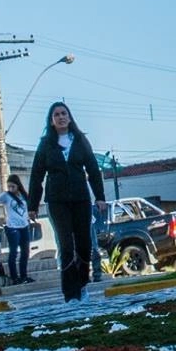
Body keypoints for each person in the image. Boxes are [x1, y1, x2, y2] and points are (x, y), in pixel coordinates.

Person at [27, 102, 105, 303]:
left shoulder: (80, 141)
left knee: (84, 244)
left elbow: (93, 170)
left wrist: (100, 197)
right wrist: (32, 206)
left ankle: (82, 286)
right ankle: (70, 293)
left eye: (64, 113)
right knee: (66, 245)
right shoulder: (45, 145)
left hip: (81, 199)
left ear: (69, 117)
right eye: (56, 115)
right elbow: (37, 175)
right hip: (57, 201)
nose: (61, 117)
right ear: (51, 121)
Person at [0, 175, 34, 286]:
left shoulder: (23, 196)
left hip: (24, 225)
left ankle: (23, 276)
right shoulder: (5, 195)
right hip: (12, 227)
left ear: (18, 186)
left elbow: (28, 208)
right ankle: (14, 277)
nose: (11, 189)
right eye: (9, 186)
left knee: (25, 252)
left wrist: (31, 215)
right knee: (13, 252)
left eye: (13, 186)